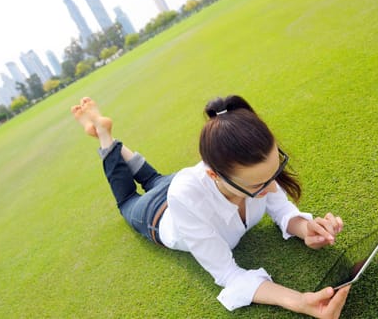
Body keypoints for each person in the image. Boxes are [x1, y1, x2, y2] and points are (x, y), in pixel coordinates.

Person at [70, 95, 351, 318]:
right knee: (128, 200)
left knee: (154, 178)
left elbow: (282, 211)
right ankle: (106, 138)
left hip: (183, 183)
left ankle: (109, 135)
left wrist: (306, 229)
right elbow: (228, 274)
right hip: (157, 214)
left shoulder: (253, 173)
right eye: (259, 185)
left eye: (274, 174)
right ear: (214, 173)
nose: (271, 187)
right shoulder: (187, 195)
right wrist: (299, 301)